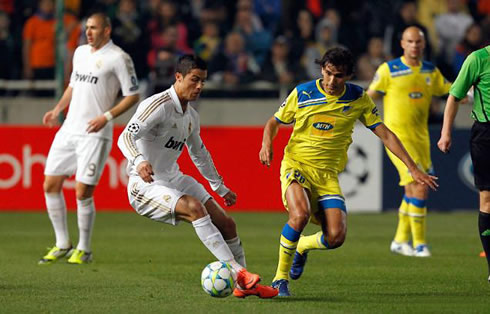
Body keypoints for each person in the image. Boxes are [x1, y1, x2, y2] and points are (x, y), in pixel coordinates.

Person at [259, 47, 438, 296]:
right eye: (329, 73)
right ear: (322, 69)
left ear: (349, 76)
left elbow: (384, 133)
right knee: (299, 215)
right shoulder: (303, 93)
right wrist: (267, 143)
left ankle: (301, 246)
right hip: (297, 165)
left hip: (328, 176)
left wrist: (413, 168)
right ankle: (280, 279)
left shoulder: (357, 98)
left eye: (339, 76)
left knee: (335, 237)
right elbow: (274, 122)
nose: (332, 81)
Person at [117, 54, 278, 298]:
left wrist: (220, 188)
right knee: (194, 208)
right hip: (144, 186)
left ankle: (245, 286)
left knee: (227, 224)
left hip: (174, 178)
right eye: (194, 80)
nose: (200, 86)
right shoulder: (157, 106)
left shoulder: (191, 117)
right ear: (178, 77)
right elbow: (125, 136)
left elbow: (199, 154)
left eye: (203, 81)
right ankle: (239, 274)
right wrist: (139, 161)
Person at [39, 12, 140, 265]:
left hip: (95, 134)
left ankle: (84, 249)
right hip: (69, 129)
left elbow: (132, 95)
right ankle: (62, 243)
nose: (88, 32)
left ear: (107, 30)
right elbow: (73, 85)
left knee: (83, 191)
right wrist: (57, 109)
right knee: (50, 184)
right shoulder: (80, 53)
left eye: (94, 28)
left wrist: (106, 117)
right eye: (87, 28)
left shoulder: (119, 58)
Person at [367, 26, 451, 258]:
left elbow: (452, 92)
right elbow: (368, 97)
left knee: (411, 190)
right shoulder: (388, 70)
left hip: (421, 139)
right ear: (402, 44)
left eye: (418, 42)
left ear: (423, 45)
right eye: (410, 41)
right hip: (398, 140)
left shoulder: (430, 71)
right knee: (421, 186)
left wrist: (477, 92)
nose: (414, 45)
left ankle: (400, 240)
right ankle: (420, 244)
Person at [437, 45, 490, 282]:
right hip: (486, 135)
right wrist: (445, 133)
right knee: (487, 198)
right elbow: (454, 96)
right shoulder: (477, 59)